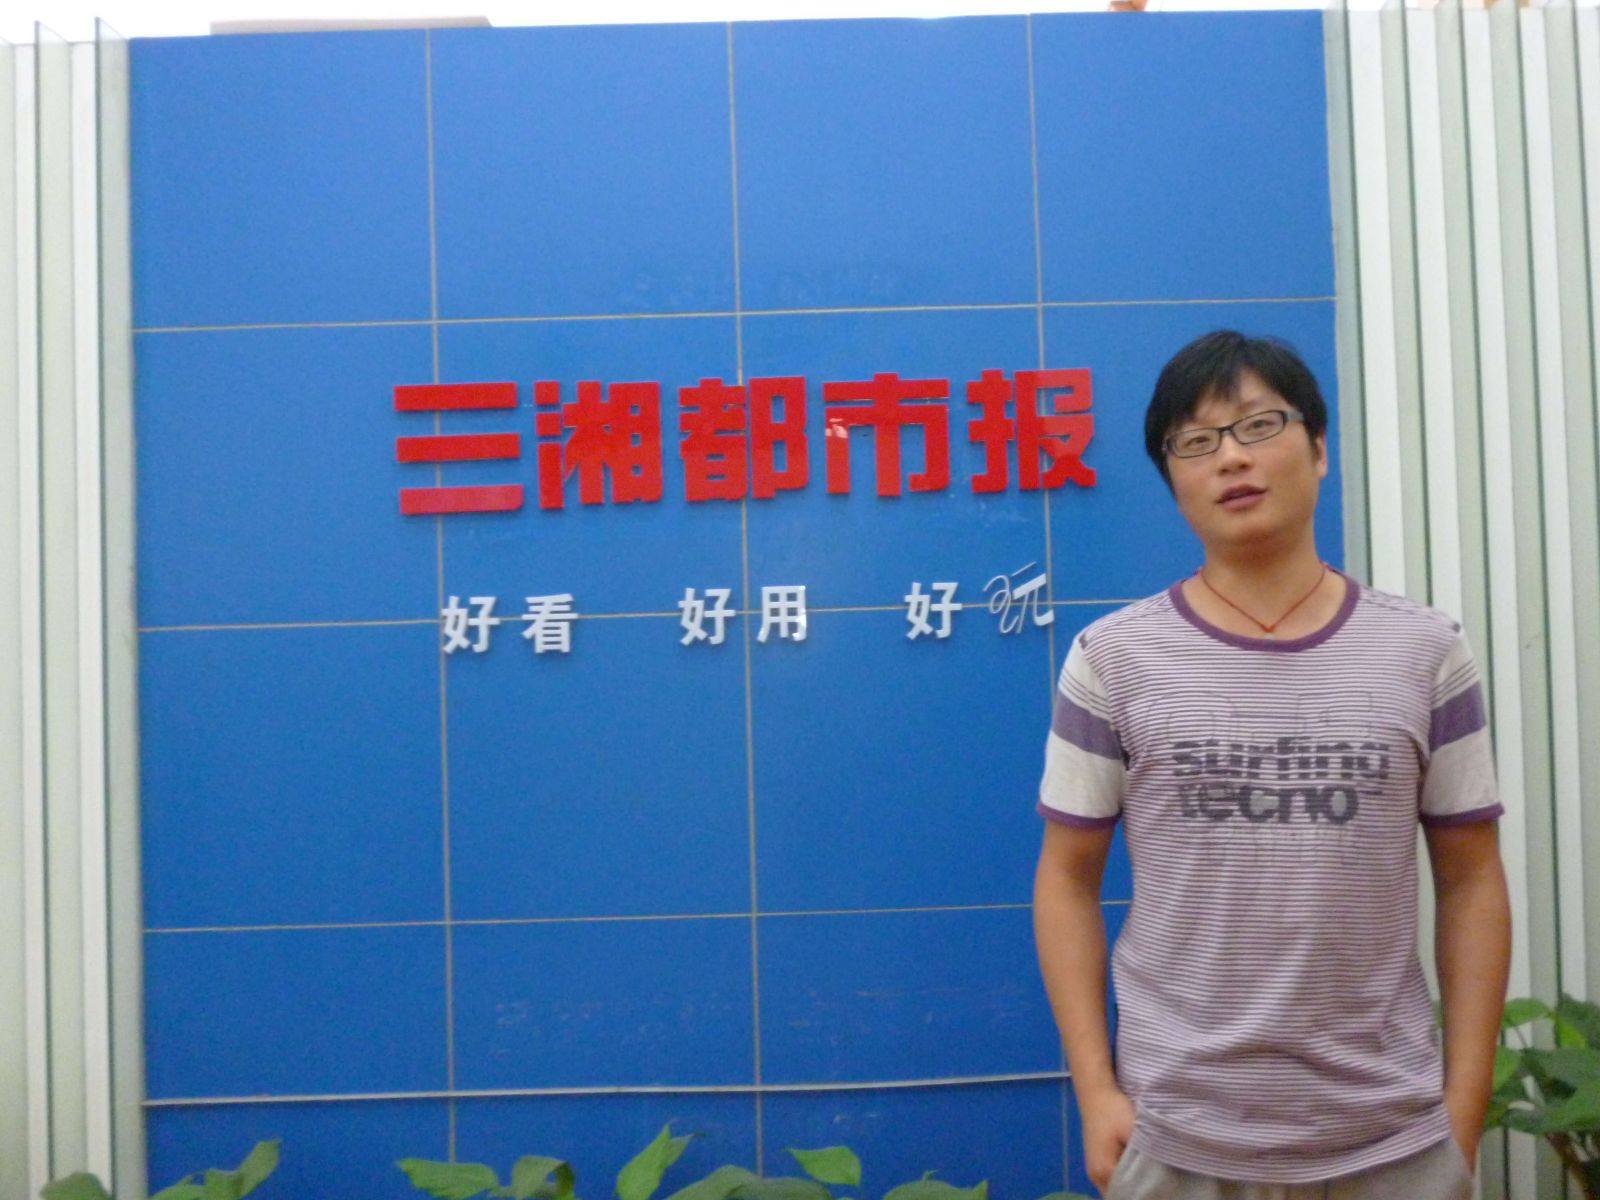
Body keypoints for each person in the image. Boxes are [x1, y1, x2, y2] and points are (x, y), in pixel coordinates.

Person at [1032, 330, 1512, 1200]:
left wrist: (1463, 1113)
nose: (1232, 458)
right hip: (1178, 1137)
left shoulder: (1426, 650)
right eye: (1197, 440)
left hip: (1393, 1139)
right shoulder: (1112, 658)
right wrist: (1097, 1092)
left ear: (1319, 448)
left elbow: (1472, 877)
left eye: (1259, 425)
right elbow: (1066, 879)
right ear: (1172, 479)